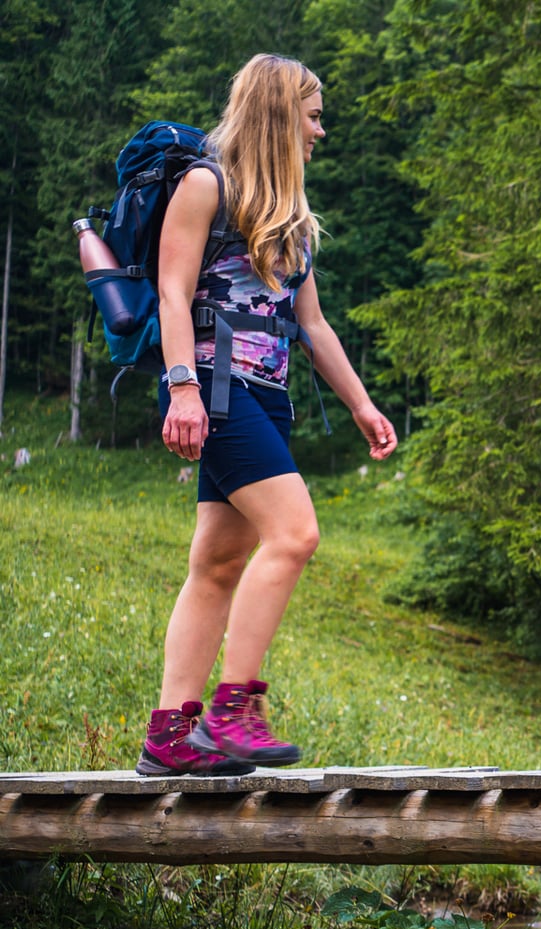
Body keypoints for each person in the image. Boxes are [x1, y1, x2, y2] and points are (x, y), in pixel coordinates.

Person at [136, 54, 397, 777]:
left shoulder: (293, 220)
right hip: (215, 388)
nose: (320, 130)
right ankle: (233, 709)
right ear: (280, 114)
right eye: (312, 115)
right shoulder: (204, 186)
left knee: (217, 562)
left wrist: (362, 405)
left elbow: (312, 326)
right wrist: (182, 388)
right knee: (295, 532)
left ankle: (169, 734)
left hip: (267, 397)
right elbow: (171, 292)